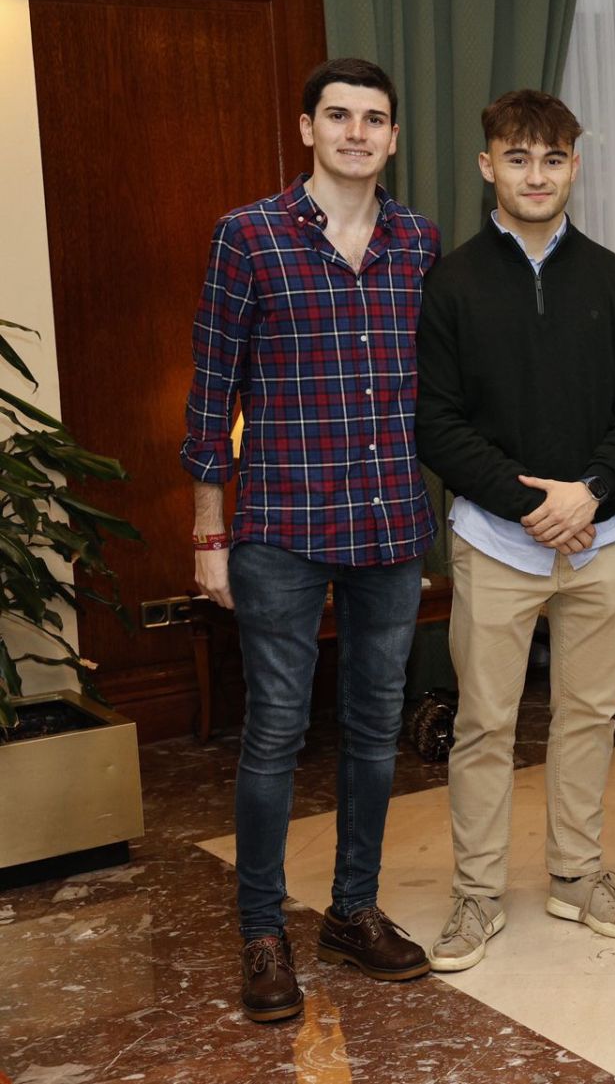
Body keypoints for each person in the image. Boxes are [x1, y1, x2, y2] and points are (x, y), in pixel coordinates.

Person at [183, 58, 438, 1023]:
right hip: (280, 525)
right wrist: (209, 534)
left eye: (375, 119)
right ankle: (261, 929)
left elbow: (439, 387)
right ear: (305, 129)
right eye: (339, 116)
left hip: (388, 523)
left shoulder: (419, 240)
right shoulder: (248, 236)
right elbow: (212, 396)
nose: (358, 133)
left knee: (376, 732)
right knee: (277, 735)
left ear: (394, 138)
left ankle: (352, 910)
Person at [415, 89, 615, 972]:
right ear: (488, 165)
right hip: (495, 542)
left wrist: (592, 491)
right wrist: (532, 505)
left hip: (602, 544)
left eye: (552, 158)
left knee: (588, 717)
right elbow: (438, 424)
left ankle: (578, 873)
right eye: (517, 158)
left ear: (574, 165)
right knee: (485, 724)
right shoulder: (452, 281)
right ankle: (478, 894)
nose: (536, 174)